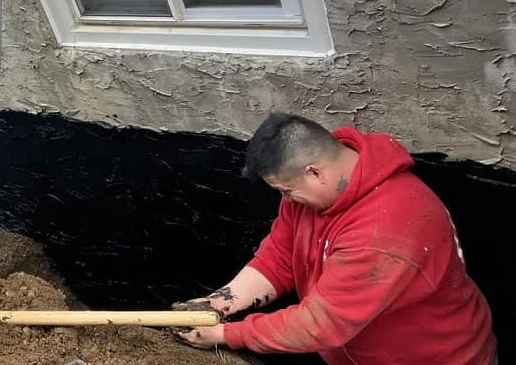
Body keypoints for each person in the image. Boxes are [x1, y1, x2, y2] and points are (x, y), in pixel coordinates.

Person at [174, 112, 497, 365]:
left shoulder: (386, 229)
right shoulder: (310, 197)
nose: (287, 199)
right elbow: (279, 257)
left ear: (314, 171)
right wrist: (215, 304)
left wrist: (226, 334)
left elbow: (321, 324)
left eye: (287, 190)